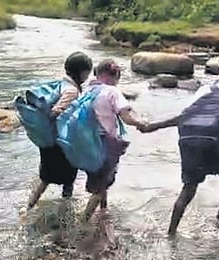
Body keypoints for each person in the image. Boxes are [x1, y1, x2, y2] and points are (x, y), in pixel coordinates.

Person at [138, 53, 219, 236]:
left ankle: (171, 232)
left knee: (189, 188)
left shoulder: (204, 91)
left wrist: (155, 126)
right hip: (218, 147)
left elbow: (184, 117)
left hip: (191, 145)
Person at [81, 59, 147, 221]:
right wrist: (141, 123)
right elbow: (126, 117)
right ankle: (82, 221)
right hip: (104, 144)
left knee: (99, 180)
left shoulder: (88, 90)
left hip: (86, 143)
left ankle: (103, 209)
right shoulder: (112, 91)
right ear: (115, 75)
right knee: (102, 184)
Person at [26, 51, 93, 210]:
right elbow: (56, 112)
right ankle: (65, 211)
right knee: (68, 179)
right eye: (87, 72)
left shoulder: (61, 83)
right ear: (82, 72)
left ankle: (29, 207)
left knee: (46, 177)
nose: (87, 76)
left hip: (49, 140)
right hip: (61, 142)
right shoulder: (72, 90)